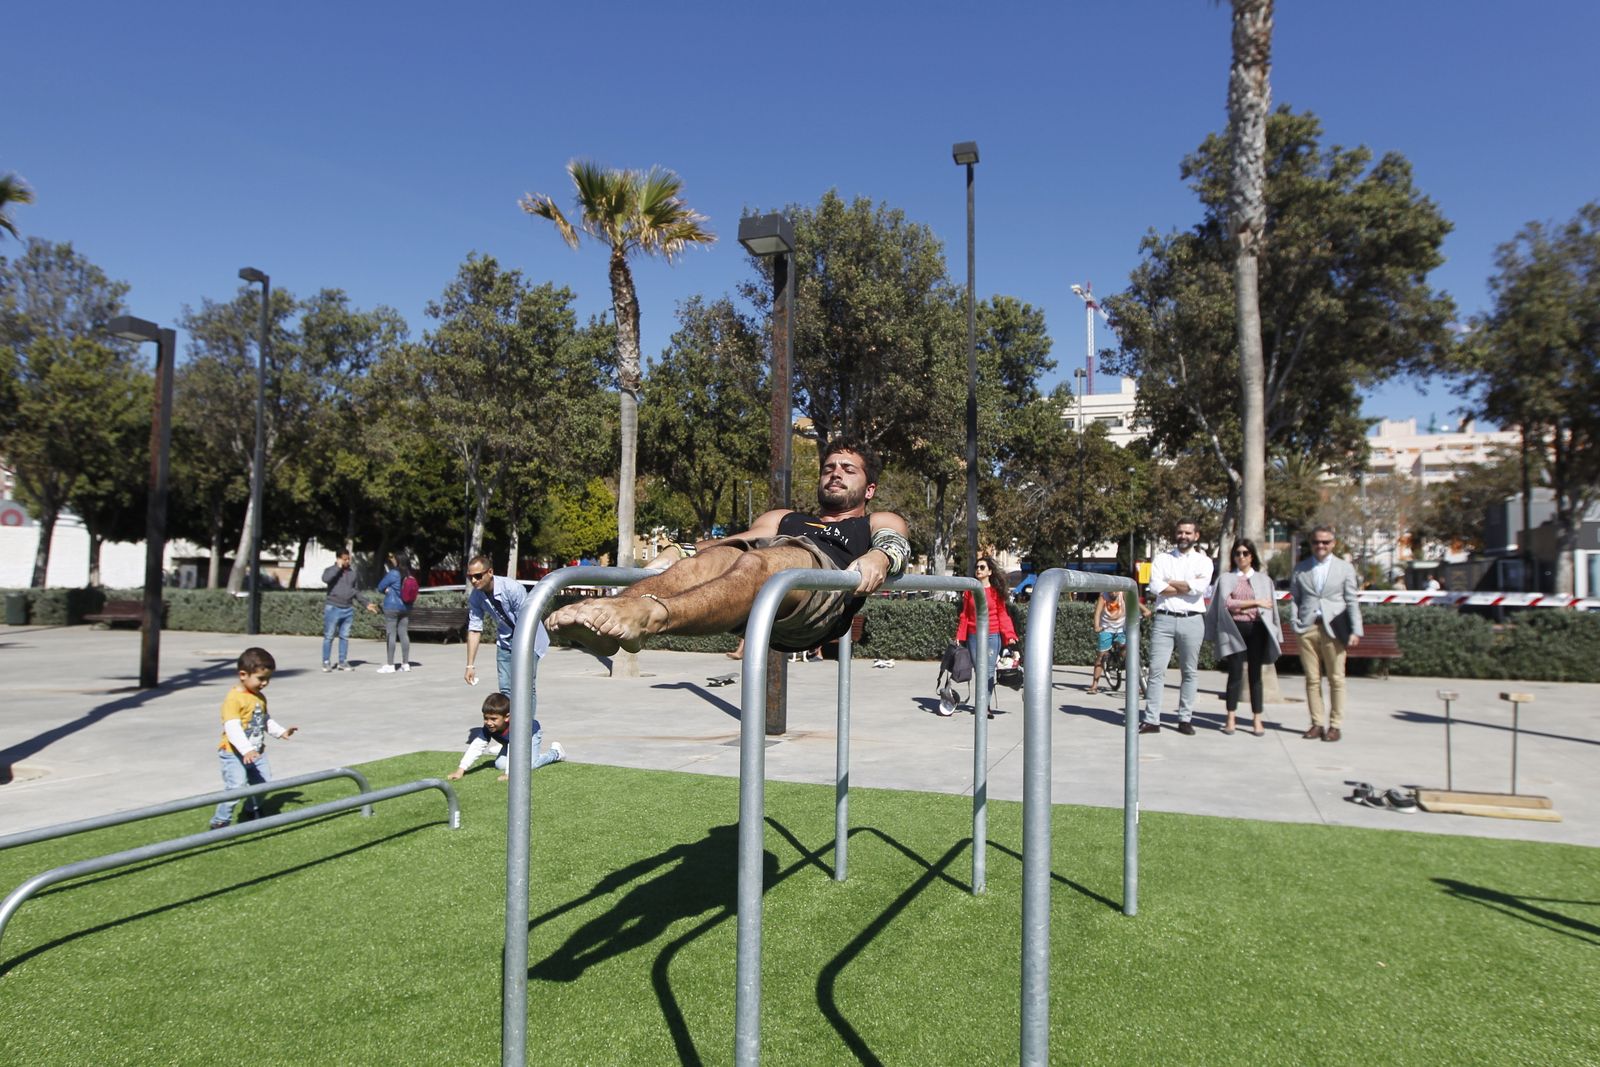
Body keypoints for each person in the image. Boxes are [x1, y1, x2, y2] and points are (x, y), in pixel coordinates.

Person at [547, 438, 912, 656]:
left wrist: (879, 557)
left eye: (848, 469)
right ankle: (613, 614)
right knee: (718, 557)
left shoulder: (874, 521)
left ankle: (650, 618)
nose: (835, 472)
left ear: (869, 489)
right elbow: (729, 542)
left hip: (820, 596)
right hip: (762, 586)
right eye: (829, 467)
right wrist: (682, 550)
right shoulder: (786, 517)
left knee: (760, 562)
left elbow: (894, 544)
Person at [209, 646, 298, 830]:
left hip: (256, 752)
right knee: (236, 787)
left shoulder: (259, 697)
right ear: (243, 674)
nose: (265, 683)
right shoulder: (234, 699)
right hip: (233, 753)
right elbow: (232, 727)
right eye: (261, 678)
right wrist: (246, 749)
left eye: (268, 679)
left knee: (263, 783)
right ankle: (220, 821)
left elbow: (264, 719)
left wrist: (281, 732)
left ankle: (252, 810)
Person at [1290, 526, 1363, 742]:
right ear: (1311, 544)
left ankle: (1335, 725)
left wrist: (1356, 629)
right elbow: (1295, 598)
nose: (1320, 546)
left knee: (1336, 679)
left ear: (1333, 543)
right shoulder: (1301, 568)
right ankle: (1316, 723)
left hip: (1335, 627)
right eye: (1316, 542)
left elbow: (1352, 600)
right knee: (1312, 679)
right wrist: (1295, 622)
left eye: (1325, 542)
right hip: (1308, 628)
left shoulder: (1345, 568)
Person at [1140, 519, 1213, 735]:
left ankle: (1185, 718)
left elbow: (1199, 588)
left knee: (1189, 671)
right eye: (1180, 532)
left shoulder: (1204, 562)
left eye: (1188, 533)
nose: (1183, 536)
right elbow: (1156, 587)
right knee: (1156, 670)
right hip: (1164, 620)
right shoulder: (1162, 559)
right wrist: (1187, 585)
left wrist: (1173, 583)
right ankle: (1152, 720)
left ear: (1196, 536)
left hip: (1192, 620)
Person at [1204, 539, 1282, 736]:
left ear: (1252, 556)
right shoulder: (1227, 579)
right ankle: (1231, 718)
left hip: (1257, 629)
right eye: (1237, 553)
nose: (1241, 557)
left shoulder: (1264, 580)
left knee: (1256, 676)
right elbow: (1227, 603)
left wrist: (1276, 631)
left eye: (1245, 553)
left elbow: (1271, 608)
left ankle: (1257, 719)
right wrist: (1255, 602)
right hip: (1234, 629)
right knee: (1235, 673)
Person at [464, 555, 550, 696]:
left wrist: (522, 649)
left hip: (530, 638)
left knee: (526, 687)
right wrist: (470, 665)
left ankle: (527, 719)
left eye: (478, 576)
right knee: (505, 689)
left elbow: (526, 621)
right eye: (470, 577)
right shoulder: (476, 596)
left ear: (490, 572)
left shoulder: (511, 588)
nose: (474, 581)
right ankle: (510, 718)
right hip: (505, 641)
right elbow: (474, 629)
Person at [446, 690, 563, 783]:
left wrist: (509, 774)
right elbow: (476, 746)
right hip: (510, 743)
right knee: (499, 764)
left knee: (529, 765)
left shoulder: (516, 727)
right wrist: (460, 770)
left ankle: (556, 752)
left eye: (493, 719)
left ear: (507, 717)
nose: (488, 722)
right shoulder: (488, 727)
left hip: (531, 735)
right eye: (486, 718)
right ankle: (530, 756)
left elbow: (514, 749)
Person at [953, 554, 1017, 717]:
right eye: (977, 567)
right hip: (974, 636)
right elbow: (965, 615)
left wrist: (1009, 635)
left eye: (982, 567)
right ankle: (981, 703)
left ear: (989, 572)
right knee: (978, 671)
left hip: (992, 635)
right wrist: (960, 635)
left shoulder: (995, 592)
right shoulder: (970, 591)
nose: (978, 570)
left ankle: (984, 706)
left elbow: (1003, 614)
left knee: (988, 672)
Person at [320, 549, 367, 672]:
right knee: (329, 636)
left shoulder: (352, 573)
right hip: (333, 607)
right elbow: (326, 579)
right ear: (339, 559)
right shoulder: (330, 570)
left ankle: (342, 662)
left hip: (347, 608)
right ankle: (326, 662)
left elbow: (355, 591)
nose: (347, 561)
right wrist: (338, 568)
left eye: (348, 559)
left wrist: (366, 604)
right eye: (345, 559)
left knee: (344, 637)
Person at [372, 552, 413, 674]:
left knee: (391, 634)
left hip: (392, 607)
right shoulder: (409, 574)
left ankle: (390, 665)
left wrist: (387, 590)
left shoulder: (393, 573)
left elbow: (380, 587)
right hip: (406, 608)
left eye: (393, 558)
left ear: (398, 560)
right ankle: (405, 664)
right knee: (404, 634)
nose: (392, 560)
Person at [1087, 589, 1128, 695]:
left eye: (1115, 591)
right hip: (1106, 628)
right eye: (1111, 591)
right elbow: (1097, 613)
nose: (1113, 593)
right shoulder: (1103, 597)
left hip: (1121, 628)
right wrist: (1096, 626)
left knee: (1126, 654)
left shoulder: (1123, 594)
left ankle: (1137, 684)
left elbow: (1133, 606)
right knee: (1101, 656)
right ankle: (1094, 685)